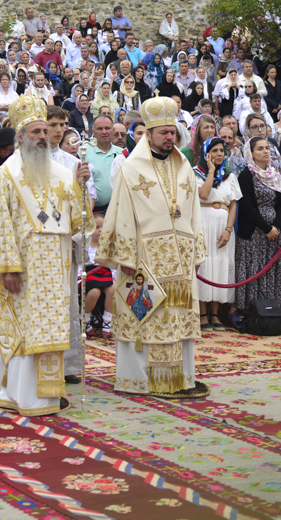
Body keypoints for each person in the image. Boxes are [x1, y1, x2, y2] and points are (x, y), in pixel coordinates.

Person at [0, 96, 89, 415]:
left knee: (48, 329)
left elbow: (80, 222)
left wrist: (83, 188)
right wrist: (6, 269)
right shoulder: (5, 176)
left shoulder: (64, 175)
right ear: (21, 136)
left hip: (56, 271)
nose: (40, 136)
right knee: (24, 331)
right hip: (20, 272)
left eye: (43, 131)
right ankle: (20, 394)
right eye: (34, 131)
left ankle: (44, 396)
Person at [97, 96, 207, 398]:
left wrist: (197, 251)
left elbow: (194, 210)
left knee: (178, 320)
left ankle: (180, 379)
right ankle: (142, 381)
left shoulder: (184, 165)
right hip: (144, 259)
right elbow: (120, 213)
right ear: (148, 134)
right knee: (144, 318)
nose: (170, 137)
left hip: (181, 262)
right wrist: (125, 257)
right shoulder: (131, 169)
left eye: (173, 132)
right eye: (164, 133)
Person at [235, 137, 281, 313]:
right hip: (254, 232)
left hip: (273, 232)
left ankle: (272, 310)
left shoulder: (275, 174)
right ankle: (250, 311)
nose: (266, 151)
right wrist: (266, 228)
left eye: (267, 148)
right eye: (260, 149)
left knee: (272, 269)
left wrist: (275, 226)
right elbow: (246, 206)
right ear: (251, 153)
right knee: (254, 269)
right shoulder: (246, 175)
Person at [194, 137, 239, 331]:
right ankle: (202, 313)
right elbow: (203, 195)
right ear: (206, 154)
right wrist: (211, 172)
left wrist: (229, 229)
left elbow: (234, 203)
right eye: (215, 150)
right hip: (203, 221)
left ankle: (215, 314)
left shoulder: (230, 175)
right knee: (204, 266)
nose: (219, 154)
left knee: (220, 267)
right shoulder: (195, 173)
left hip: (223, 224)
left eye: (222, 150)